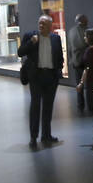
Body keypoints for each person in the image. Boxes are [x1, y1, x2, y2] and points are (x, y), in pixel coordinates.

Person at [18, 15, 64, 147]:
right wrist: (30, 42)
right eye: (40, 23)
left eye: (44, 24)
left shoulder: (56, 38)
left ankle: (46, 135)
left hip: (51, 77)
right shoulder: (30, 36)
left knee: (48, 107)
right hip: (36, 77)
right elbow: (20, 52)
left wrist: (58, 69)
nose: (41, 26)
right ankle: (33, 137)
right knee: (35, 106)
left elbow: (59, 56)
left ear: (51, 26)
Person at [67, 14, 90, 114]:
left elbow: (69, 48)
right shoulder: (88, 31)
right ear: (83, 20)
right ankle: (90, 104)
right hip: (87, 61)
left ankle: (80, 105)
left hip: (76, 61)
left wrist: (71, 59)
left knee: (79, 84)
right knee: (89, 85)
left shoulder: (71, 31)